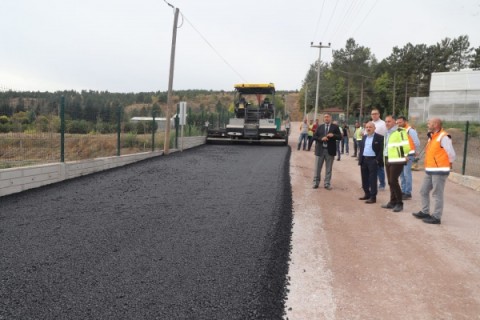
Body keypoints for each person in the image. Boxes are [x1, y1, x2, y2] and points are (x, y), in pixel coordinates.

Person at [412, 118, 456, 224]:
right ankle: (425, 211)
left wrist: (448, 163)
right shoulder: (431, 136)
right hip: (430, 169)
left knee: (437, 194)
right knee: (423, 191)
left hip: (440, 170)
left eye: (429, 123)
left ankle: (436, 217)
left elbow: (451, 153)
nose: (428, 124)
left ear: (436, 124)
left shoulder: (443, 137)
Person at [381, 115, 410, 212]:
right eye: (386, 121)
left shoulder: (400, 131)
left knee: (393, 181)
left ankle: (399, 203)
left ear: (394, 122)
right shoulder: (387, 133)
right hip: (387, 158)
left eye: (389, 121)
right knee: (390, 181)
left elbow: (406, 145)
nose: (387, 123)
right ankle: (392, 202)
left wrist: (404, 156)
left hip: (397, 159)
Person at [312, 114, 342, 190]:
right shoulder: (320, 127)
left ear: (330, 118)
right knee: (317, 168)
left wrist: (333, 135)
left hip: (330, 151)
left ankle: (327, 183)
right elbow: (314, 137)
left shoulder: (335, 127)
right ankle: (316, 183)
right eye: (325, 117)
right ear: (323, 118)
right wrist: (321, 138)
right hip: (320, 150)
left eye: (328, 117)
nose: (326, 118)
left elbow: (340, 137)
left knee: (329, 168)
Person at [358, 121, 384, 203]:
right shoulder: (364, 137)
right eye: (367, 127)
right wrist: (360, 159)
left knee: (372, 179)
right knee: (364, 178)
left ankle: (373, 197)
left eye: (370, 127)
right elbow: (361, 149)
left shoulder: (379, 137)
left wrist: (376, 160)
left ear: (374, 128)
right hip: (364, 160)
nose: (368, 128)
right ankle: (367, 194)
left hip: (373, 160)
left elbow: (381, 150)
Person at [396, 116, 420, 200]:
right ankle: (403, 191)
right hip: (402, 155)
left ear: (405, 121)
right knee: (402, 174)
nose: (399, 124)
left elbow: (416, 142)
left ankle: (408, 192)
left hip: (409, 155)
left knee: (406, 173)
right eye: (397, 123)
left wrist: (416, 152)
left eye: (400, 122)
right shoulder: (400, 130)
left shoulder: (410, 130)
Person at [371, 109, 387, 190]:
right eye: (372, 114)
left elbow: (386, 135)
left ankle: (382, 184)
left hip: (379, 147)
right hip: (370, 147)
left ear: (379, 114)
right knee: (370, 167)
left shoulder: (383, 123)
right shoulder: (371, 123)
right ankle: (371, 183)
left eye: (375, 114)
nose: (374, 115)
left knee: (379, 166)